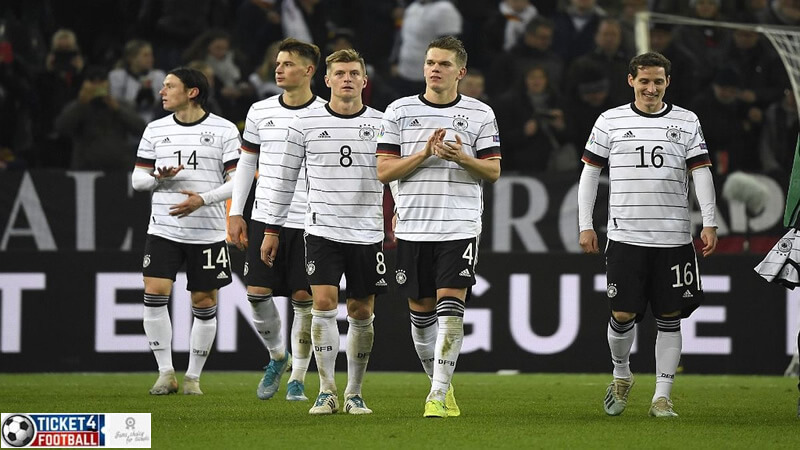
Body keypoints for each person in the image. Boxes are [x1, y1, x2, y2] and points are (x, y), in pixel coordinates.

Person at [578, 51, 718, 417]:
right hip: (625, 237)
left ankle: (662, 397)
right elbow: (590, 173)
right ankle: (621, 375)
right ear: (631, 81)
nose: (651, 88)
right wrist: (585, 224)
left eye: (658, 81)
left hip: (674, 238)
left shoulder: (687, 121)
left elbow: (701, 172)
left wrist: (709, 221)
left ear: (667, 82)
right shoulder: (610, 120)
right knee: (622, 313)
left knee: (670, 314)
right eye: (644, 81)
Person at [376, 36, 501, 418]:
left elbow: (492, 171)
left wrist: (462, 158)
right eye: (431, 62)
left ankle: (437, 394)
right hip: (413, 225)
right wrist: (425, 153)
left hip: (459, 225)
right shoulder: (399, 111)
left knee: (450, 303)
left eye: (444, 64)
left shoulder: (480, 114)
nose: (435, 69)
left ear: (460, 71)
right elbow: (384, 171)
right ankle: (440, 384)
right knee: (421, 311)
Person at [261, 48, 385, 415]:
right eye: (340, 73)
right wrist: (271, 229)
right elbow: (285, 180)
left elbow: (395, 176)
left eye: (354, 73)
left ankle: (354, 392)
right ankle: (327, 389)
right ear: (327, 79)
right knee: (324, 304)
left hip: (366, 232)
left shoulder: (383, 124)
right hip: (321, 230)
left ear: (364, 81)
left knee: (361, 310)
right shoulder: (304, 124)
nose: (347, 79)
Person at [131, 67, 240, 395]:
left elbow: (238, 182)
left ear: (192, 92)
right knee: (154, 293)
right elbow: (137, 180)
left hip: (207, 232)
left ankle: (193, 377)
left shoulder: (223, 130)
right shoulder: (155, 129)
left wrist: (202, 200)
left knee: (204, 301)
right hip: (164, 228)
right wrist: (158, 178)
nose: (162, 92)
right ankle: (166, 373)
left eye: (169, 86)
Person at [228, 38, 326, 402]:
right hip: (265, 214)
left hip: (309, 219)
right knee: (256, 293)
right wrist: (236, 212)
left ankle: (298, 377)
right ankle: (277, 356)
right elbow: (247, 163)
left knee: (303, 296)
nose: (279, 69)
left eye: (287, 64)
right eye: (278, 63)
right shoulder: (260, 111)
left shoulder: (326, 113)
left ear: (308, 70)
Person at [55, 65, 146, 170]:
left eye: (101, 81)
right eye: (93, 82)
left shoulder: (119, 105)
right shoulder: (79, 106)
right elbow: (61, 127)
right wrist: (80, 104)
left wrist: (117, 109)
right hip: (86, 170)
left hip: (118, 169)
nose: (97, 86)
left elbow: (141, 128)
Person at [109, 39, 167, 123]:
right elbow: (115, 104)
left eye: (151, 55)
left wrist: (152, 100)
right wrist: (136, 101)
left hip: (154, 120)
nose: (151, 59)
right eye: (145, 55)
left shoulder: (159, 75)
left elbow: (165, 104)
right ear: (131, 58)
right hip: (127, 123)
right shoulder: (117, 76)